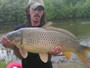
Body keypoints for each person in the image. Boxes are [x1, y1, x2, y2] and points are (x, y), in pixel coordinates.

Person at [1, 1, 61, 68]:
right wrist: (13, 46)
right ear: (28, 10)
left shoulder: (49, 31)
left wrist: (52, 53)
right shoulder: (19, 30)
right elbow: (21, 56)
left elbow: (48, 57)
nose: (37, 12)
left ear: (43, 12)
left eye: (39, 9)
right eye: (34, 9)